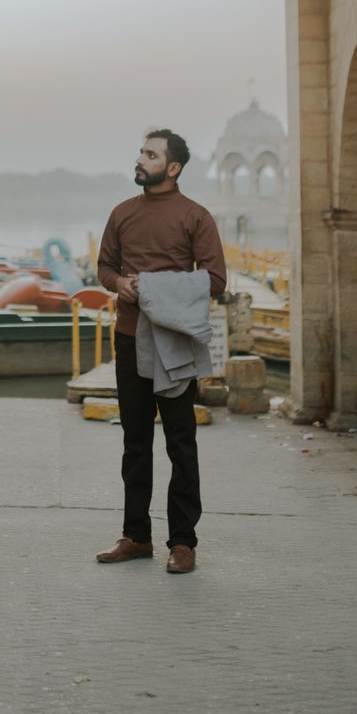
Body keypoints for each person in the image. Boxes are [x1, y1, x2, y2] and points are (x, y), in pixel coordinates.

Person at [95, 128, 227, 574]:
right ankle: (136, 536)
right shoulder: (122, 213)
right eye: (141, 152)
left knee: (180, 443)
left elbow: (215, 280)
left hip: (175, 344)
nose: (140, 159)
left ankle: (183, 542)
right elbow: (105, 267)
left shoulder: (196, 216)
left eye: (150, 154)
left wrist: (151, 287)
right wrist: (120, 285)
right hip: (130, 338)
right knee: (135, 442)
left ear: (172, 168)